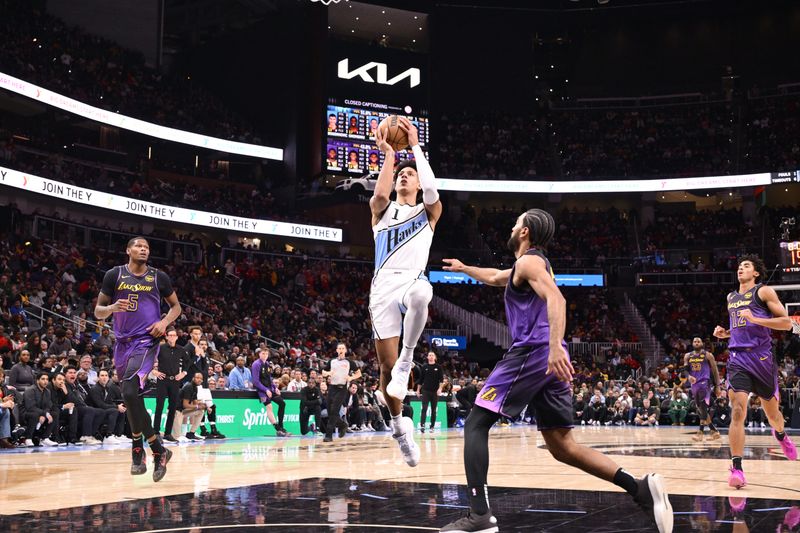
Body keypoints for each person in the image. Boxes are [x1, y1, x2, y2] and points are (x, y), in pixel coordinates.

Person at [439, 209, 673, 533]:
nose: (511, 226)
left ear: (525, 231)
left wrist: (551, 346)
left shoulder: (529, 262)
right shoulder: (529, 265)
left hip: (534, 353)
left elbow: (558, 300)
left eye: (516, 222)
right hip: (549, 361)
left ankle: (479, 516)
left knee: (476, 424)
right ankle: (640, 489)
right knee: (563, 447)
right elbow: (494, 277)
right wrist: (465, 268)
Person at [369, 117, 441, 466]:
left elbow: (432, 192)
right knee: (385, 368)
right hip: (383, 286)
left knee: (422, 295)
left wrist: (414, 146)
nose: (404, 175)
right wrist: (388, 155)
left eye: (409, 173)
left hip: (412, 279)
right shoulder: (382, 211)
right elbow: (380, 194)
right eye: (402, 173)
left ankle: (409, 358)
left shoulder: (428, 212)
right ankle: (399, 428)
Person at [95, 236, 181, 481]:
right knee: (131, 398)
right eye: (138, 246)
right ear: (128, 250)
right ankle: (156, 449)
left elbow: (176, 307)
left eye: (147, 247)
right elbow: (98, 311)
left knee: (131, 394)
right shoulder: (114, 275)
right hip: (122, 344)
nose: (143, 249)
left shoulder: (158, 277)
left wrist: (164, 322)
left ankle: (141, 448)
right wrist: (111, 308)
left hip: (146, 341)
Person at [712, 255, 797, 489]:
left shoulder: (764, 292)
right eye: (739, 266)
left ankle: (780, 434)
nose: (741, 268)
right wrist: (726, 333)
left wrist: (757, 319)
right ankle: (737, 468)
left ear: (756, 273)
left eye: (746, 266)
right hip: (738, 358)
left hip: (762, 359)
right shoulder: (731, 297)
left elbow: (787, 323)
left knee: (774, 416)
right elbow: (742, 326)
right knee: (738, 410)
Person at [683, 337, 721, 441]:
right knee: (700, 408)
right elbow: (685, 370)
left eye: (698, 341)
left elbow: (715, 371)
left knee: (703, 407)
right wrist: (688, 377)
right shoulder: (687, 356)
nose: (696, 343)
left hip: (705, 383)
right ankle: (714, 431)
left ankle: (700, 433)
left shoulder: (708, 355)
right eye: (695, 341)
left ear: (702, 343)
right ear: (692, 343)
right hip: (694, 384)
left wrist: (718, 386)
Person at [322, 342, 362, 442]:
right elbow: (323, 372)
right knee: (330, 411)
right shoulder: (332, 361)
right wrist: (328, 373)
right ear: (336, 350)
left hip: (342, 388)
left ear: (345, 350)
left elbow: (359, 373)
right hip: (332, 388)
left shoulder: (349, 362)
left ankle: (328, 435)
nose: (340, 350)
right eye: (339, 348)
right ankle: (343, 424)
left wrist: (351, 377)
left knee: (334, 410)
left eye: (342, 348)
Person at [153, 327, 186, 443]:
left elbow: (188, 362)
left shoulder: (180, 349)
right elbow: (149, 359)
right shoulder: (160, 348)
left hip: (175, 381)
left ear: (177, 337)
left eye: (174, 335)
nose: (172, 337)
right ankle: (156, 432)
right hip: (162, 380)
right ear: (166, 337)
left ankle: (167, 433)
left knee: (172, 407)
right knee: (159, 406)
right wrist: (154, 371)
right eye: (170, 335)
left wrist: (183, 373)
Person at [251, 348, 290, 437]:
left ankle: (281, 426)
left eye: (266, 354)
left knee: (282, 403)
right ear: (259, 354)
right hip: (261, 392)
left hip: (270, 389)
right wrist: (266, 390)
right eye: (263, 353)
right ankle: (278, 429)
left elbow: (269, 378)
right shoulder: (256, 364)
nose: (265, 355)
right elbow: (255, 382)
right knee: (269, 406)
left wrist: (274, 388)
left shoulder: (267, 364)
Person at [21, 372, 59, 447]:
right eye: (43, 379)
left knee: (54, 414)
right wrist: (44, 414)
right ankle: (27, 439)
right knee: (35, 415)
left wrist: (45, 414)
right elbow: (30, 407)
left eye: (47, 379)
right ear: (37, 380)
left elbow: (48, 406)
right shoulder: (30, 390)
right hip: (26, 413)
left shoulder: (47, 391)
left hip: (40, 413)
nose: (45, 381)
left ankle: (45, 438)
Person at [417, 351, 444, 432]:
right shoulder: (424, 367)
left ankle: (432, 426)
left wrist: (440, 389)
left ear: (435, 357)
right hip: (425, 391)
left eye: (432, 355)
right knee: (424, 409)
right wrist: (418, 390)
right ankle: (422, 425)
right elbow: (421, 380)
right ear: (427, 357)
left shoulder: (438, 367)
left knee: (433, 410)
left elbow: (441, 380)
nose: (431, 356)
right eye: (429, 355)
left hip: (435, 392)